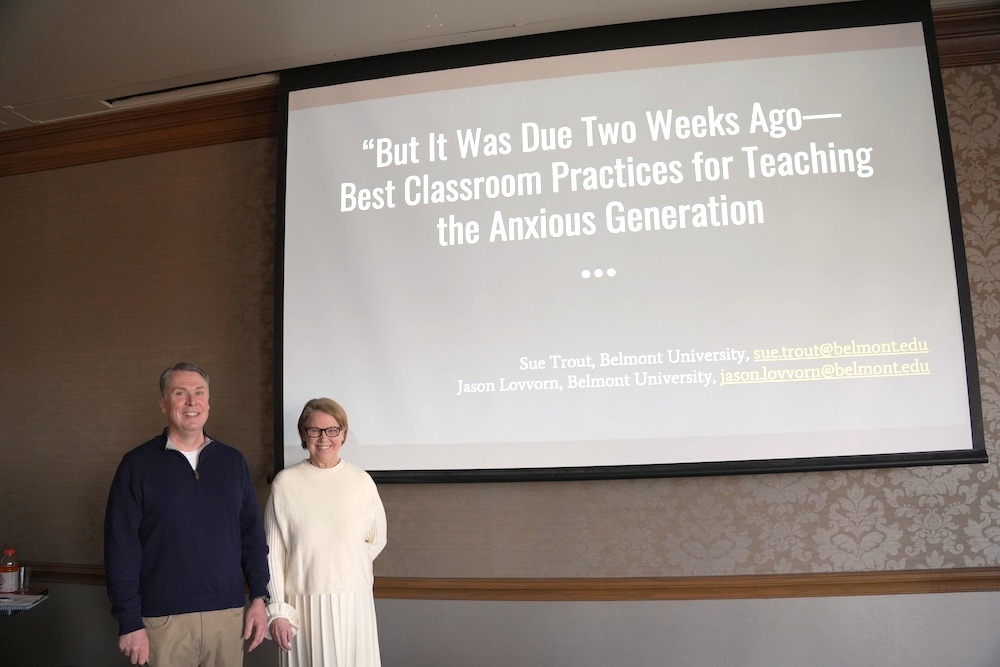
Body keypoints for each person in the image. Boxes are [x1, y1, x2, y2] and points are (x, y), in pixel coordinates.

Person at [103, 362, 271, 666]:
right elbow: (120, 548)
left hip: (228, 616)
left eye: (199, 392)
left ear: (208, 402)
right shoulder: (136, 465)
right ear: (163, 404)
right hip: (162, 621)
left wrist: (260, 596)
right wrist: (129, 621)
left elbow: (252, 538)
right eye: (180, 393)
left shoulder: (233, 462)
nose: (192, 401)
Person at [264, 398, 387, 666]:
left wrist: (344, 565)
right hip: (302, 605)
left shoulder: (361, 481)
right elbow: (272, 554)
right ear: (302, 434)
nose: (323, 438)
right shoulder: (285, 483)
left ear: (343, 434)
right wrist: (278, 610)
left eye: (332, 430)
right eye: (314, 430)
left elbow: (377, 539)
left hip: (355, 601)